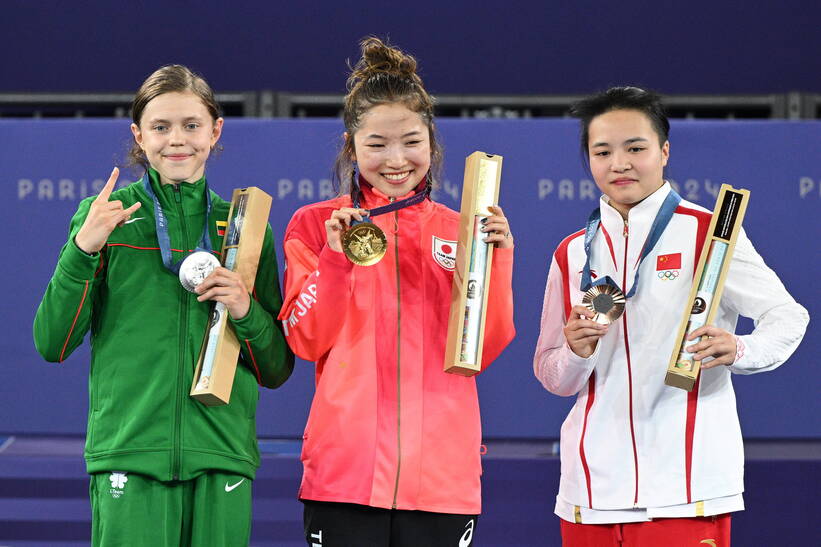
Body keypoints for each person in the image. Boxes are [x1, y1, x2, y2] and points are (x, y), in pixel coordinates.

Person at [533, 86, 808, 546]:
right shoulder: (573, 252)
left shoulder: (710, 233)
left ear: (664, 151)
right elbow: (551, 374)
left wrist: (740, 347)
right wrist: (577, 354)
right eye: (602, 151)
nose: (619, 163)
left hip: (687, 489)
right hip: (590, 492)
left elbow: (787, 316)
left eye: (635, 148)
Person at [33, 64, 293, 546]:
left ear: (216, 131)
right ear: (138, 135)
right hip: (130, 452)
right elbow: (53, 342)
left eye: (192, 125)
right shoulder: (105, 220)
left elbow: (276, 367)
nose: (178, 140)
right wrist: (83, 249)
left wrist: (244, 308)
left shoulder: (244, 229)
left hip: (221, 454)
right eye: (161, 127)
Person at [279, 37, 515, 547]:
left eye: (411, 141)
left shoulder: (462, 229)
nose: (396, 159)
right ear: (351, 146)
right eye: (377, 144)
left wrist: (499, 259)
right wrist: (337, 256)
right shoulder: (315, 225)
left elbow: (484, 346)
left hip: (442, 477)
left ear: (430, 141)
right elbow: (305, 338)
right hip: (345, 473)